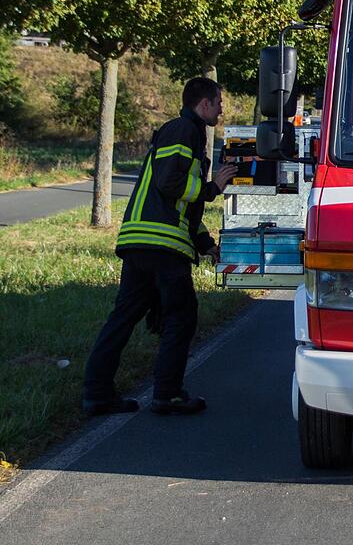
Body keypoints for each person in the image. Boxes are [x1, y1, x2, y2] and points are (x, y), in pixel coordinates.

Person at [82, 77, 238, 416]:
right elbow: (170, 183)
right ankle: (167, 394)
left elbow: (183, 206)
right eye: (219, 102)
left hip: (143, 241)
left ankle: (96, 394)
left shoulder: (187, 134)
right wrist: (212, 187)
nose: (222, 109)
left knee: (124, 317)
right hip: (162, 244)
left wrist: (206, 244)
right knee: (181, 316)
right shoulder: (183, 130)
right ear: (204, 104)